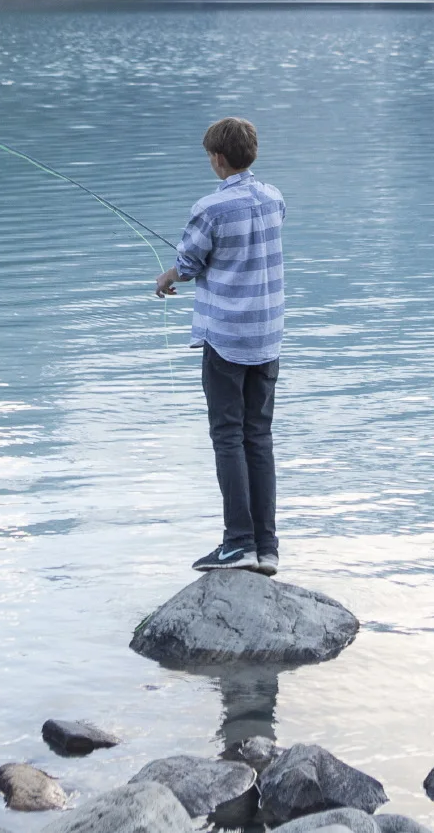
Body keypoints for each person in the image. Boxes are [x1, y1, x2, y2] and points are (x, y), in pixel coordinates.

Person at [155, 116, 285, 575]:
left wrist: (166, 277)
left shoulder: (210, 208)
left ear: (217, 158)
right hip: (267, 338)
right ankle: (266, 548)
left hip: (227, 339)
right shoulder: (274, 199)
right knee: (259, 437)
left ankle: (237, 544)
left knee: (228, 437)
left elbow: (188, 264)